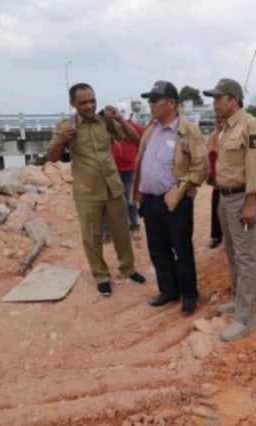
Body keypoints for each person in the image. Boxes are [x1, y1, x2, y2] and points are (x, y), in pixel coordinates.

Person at [47, 83, 146, 296]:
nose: (90, 106)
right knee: (92, 236)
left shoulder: (105, 121)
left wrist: (119, 119)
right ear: (73, 103)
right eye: (83, 102)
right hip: (87, 191)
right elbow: (52, 157)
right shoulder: (67, 126)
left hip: (113, 187)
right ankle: (101, 276)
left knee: (122, 232)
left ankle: (128, 268)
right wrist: (62, 140)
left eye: (92, 100)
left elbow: (135, 139)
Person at [132, 81, 209, 316]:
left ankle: (189, 295)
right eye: (150, 100)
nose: (151, 104)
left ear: (171, 103)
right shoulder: (150, 129)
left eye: (155, 100)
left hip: (175, 202)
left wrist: (181, 190)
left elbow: (201, 167)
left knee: (182, 249)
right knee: (158, 250)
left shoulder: (187, 131)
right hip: (151, 201)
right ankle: (168, 291)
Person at [202, 78, 256, 341]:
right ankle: (240, 301)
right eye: (214, 98)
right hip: (224, 198)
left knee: (245, 256)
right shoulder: (226, 128)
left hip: (242, 199)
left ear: (234, 100)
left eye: (219, 98)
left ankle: (245, 318)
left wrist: (251, 203)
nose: (214, 103)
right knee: (231, 252)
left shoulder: (250, 126)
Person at [102, 101, 144, 244]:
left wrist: (132, 157)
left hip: (128, 169)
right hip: (110, 170)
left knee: (129, 199)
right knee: (108, 199)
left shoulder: (136, 128)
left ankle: (134, 226)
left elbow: (140, 143)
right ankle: (107, 231)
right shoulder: (108, 127)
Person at [207, 116, 224, 249]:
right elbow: (210, 157)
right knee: (216, 207)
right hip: (217, 180)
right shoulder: (214, 135)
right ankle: (216, 235)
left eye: (222, 121)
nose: (219, 123)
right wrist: (212, 177)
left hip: (232, 180)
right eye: (217, 121)